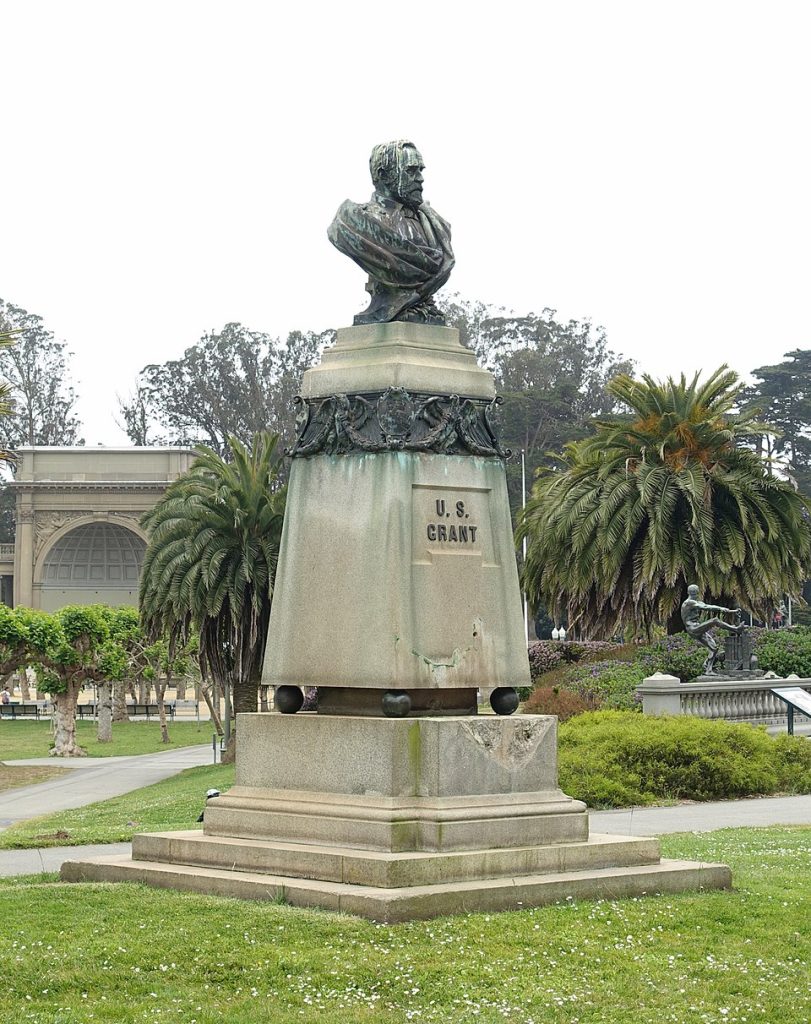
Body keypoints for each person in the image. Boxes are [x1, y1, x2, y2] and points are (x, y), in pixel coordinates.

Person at [328, 140, 455, 326]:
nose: (420, 178)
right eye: (411, 171)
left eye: (421, 170)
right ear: (383, 175)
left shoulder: (436, 225)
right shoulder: (353, 221)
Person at [681, 584, 745, 675]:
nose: (694, 594)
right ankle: (735, 629)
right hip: (693, 628)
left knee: (714, 648)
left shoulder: (697, 602)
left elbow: (707, 605)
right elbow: (706, 607)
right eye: (694, 592)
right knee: (715, 621)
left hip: (696, 628)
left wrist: (732, 611)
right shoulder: (689, 603)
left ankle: (708, 669)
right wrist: (722, 609)